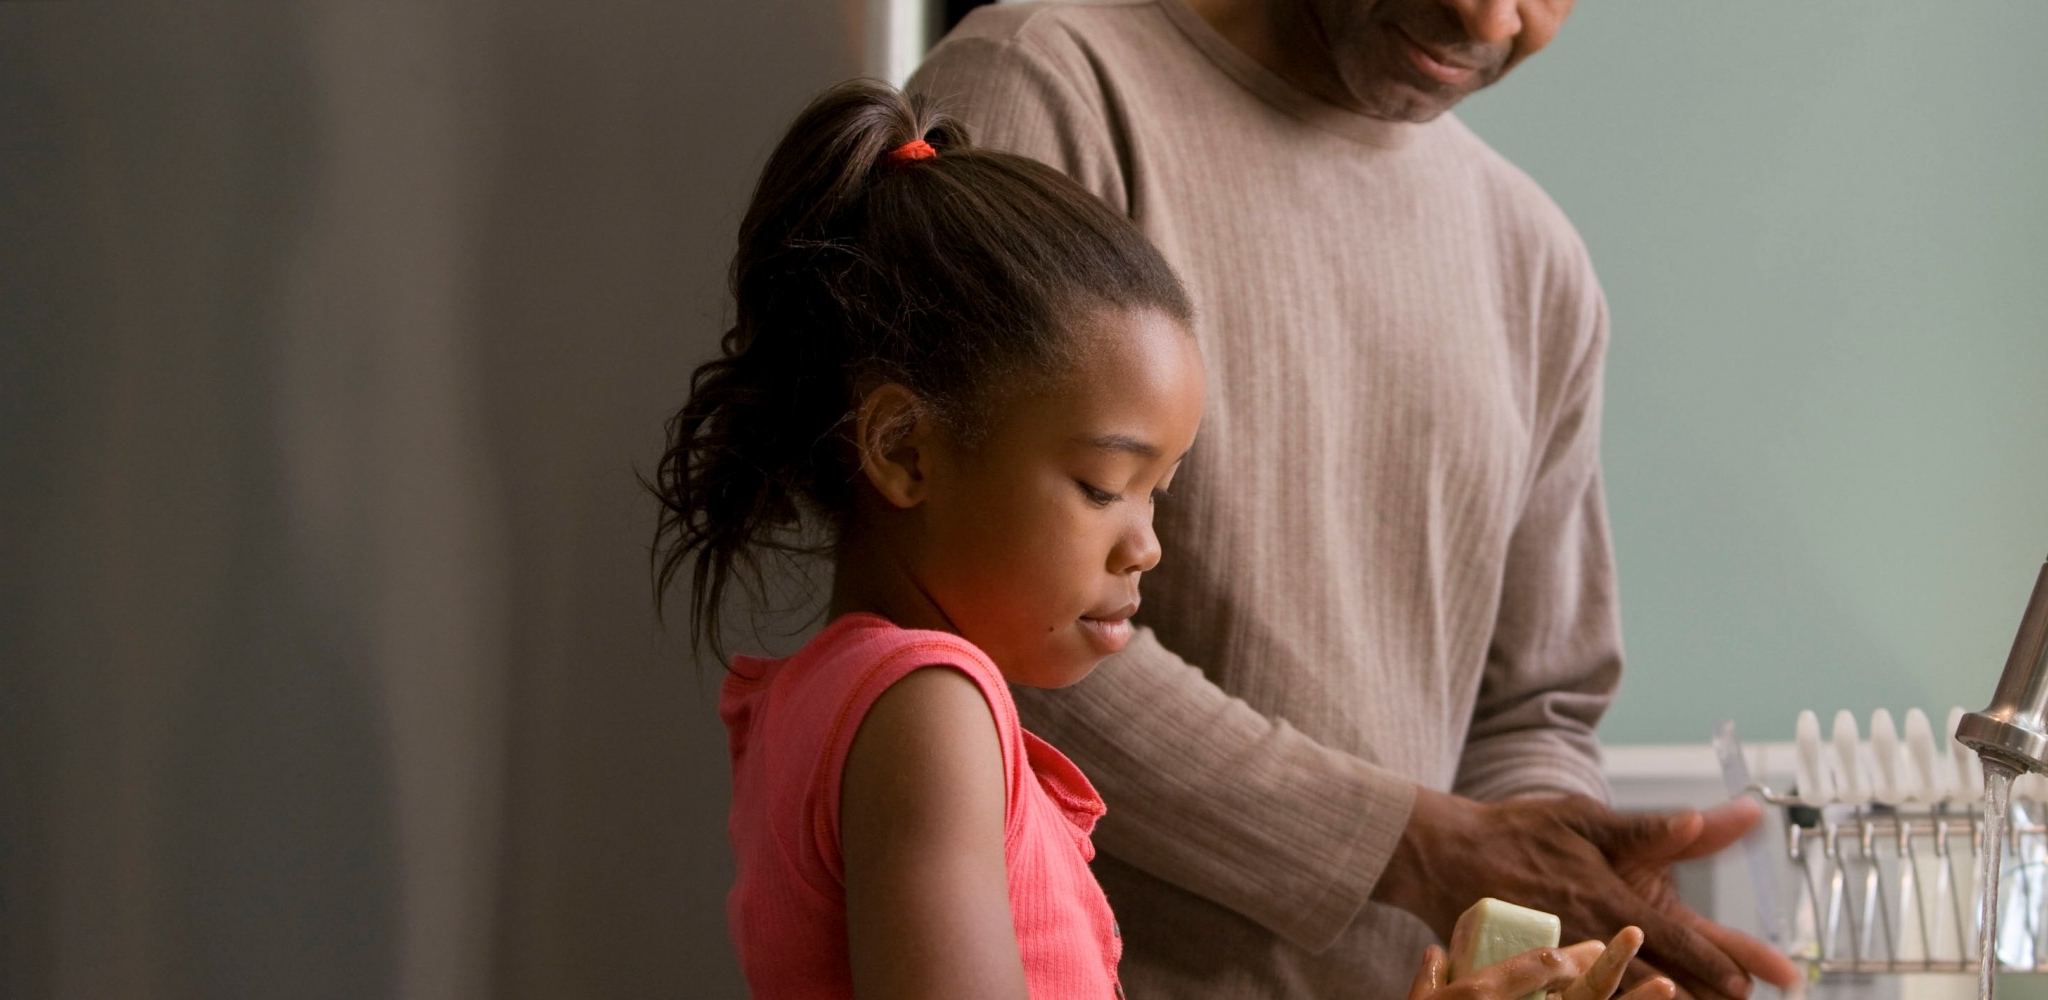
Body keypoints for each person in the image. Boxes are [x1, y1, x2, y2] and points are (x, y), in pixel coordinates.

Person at [651, 80, 1673, 1000]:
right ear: (904, 451)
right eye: (1104, 485)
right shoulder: (930, 708)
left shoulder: (826, 697)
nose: (1145, 546)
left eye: (1160, 495)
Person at [906, 3, 1803, 999]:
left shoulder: (1535, 263)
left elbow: (1533, 708)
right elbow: (966, 609)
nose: (1486, 16)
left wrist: (1552, 928)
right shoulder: (1046, 88)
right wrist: (1419, 846)